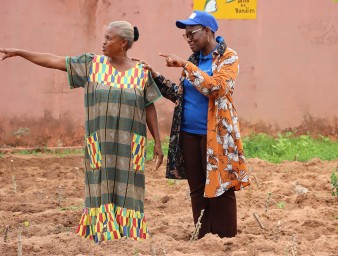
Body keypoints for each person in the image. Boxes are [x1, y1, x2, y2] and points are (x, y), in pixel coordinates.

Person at [0, 21, 164, 243]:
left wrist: (157, 142)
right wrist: (20, 52)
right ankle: (102, 232)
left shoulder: (142, 72)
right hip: (100, 144)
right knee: (100, 184)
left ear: (123, 43)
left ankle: (129, 234)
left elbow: (149, 107)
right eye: (104, 37)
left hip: (130, 145)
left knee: (130, 188)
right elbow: (54, 60)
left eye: (109, 38)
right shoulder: (91, 65)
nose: (103, 42)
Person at [143, 11, 250, 239]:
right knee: (197, 188)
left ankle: (225, 238)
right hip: (189, 134)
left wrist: (185, 65)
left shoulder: (228, 58)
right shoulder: (194, 60)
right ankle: (202, 236)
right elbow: (179, 95)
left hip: (217, 134)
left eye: (192, 34)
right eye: (186, 36)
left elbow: (216, 88)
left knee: (221, 186)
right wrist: (155, 76)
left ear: (209, 32)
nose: (189, 39)